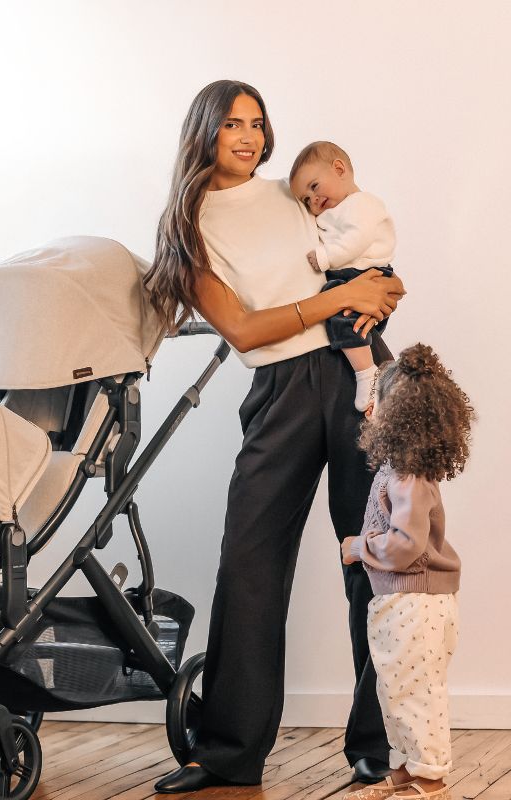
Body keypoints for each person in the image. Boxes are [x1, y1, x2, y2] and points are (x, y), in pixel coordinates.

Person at [144, 80, 406, 793]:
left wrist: (376, 286)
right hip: (283, 388)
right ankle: (228, 749)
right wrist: (339, 296)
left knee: (375, 556)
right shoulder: (189, 223)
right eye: (233, 123)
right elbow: (245, 328)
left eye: (257, 123)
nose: (249, 137)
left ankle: (381, 745)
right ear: (203, 130)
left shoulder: (290, 193)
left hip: (359, 373)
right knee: (250, 564)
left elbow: (358, 258)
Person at [340, 344, 474, 800]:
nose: (368, 406)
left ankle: (431, 779)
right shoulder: (396, 470)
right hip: (399, 600)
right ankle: (403, 775)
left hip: (416, 603)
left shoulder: (409, 478)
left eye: (377, 399)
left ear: (398, 415)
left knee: (417, 693)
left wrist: (359, 547)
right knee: (394, 690)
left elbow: (406, 544)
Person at [289, 141, 397, 411]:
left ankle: (366, 372)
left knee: (340, 313)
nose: (313, 199)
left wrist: (325, 257)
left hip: (366, 274)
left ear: (339, 169)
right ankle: (368, 374)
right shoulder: (331, 212)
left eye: (314, 187)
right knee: (341, 318)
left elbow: (356, 240)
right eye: (306, 199)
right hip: (353, 275)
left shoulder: (362, 204)